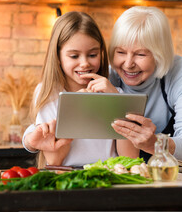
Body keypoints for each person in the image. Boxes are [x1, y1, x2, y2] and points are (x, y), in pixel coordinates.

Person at [81, 6, 182, 162]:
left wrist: (154, 144)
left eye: (140, 54)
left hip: (180, 174)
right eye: (121, 52)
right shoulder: (106, 77)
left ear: (160, 54)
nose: (128, 64)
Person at [22, 11, 119, 167]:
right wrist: (75, 106)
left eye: (93, 54)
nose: (84, 63)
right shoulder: (48, 93)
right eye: (74, 56)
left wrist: (116, 103)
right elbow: (54, 161)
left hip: (111, 177)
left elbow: (129, 159)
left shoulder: (112, 91)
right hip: (67, 177)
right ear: (58, 57)